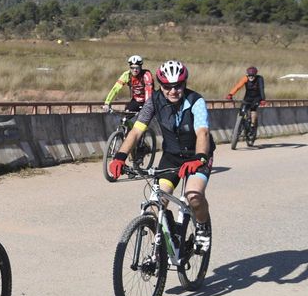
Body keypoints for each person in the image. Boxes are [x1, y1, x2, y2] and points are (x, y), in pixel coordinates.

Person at [107, 60, 214, 252]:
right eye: (167, 87)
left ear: (185, 84)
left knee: (194, 195)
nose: (173, 91)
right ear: (160, 85)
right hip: (172, 156)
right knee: (157, 204)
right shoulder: (154, 101)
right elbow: (136, 132)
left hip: (198, 155)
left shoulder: (196, 101)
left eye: (178, 86)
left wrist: (199, 158)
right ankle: (171, 238)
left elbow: (203, 133)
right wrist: (120, 156)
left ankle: (202, 226)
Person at [226, 66, 266, 142]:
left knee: (253, 110)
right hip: (247, 97)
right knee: (241, 111)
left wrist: (263, 99)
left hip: (257, 97)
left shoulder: (260, 79)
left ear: (255, 75)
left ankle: (252, 126)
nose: (251, 77)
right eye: (249, 75)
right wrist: (230, 94)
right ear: (247, 75)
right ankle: (237, 128)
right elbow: (238, 86)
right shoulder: (245, 78)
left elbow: (261, 88)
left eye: (252, 75)